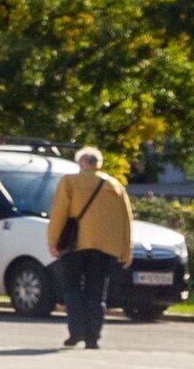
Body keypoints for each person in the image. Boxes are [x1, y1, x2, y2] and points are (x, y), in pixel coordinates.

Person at [46, 145, 133, 349]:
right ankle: (93, 337)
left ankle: (76, 332)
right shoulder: (115, 185)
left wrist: (53, 241)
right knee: (96, 292)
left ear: (82, 163)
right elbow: (126, 219)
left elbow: (59, 213)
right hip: (105, 248)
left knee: (72, 289)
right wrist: (125, 250)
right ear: (98, 164)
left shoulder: (70, 182)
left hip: (75, 246)